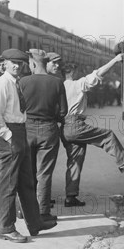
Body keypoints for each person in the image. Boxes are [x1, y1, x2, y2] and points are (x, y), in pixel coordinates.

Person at [0, 48, 57, 243]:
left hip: (21, 131)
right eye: (13, 63)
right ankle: (6, 228)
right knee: (8, 184)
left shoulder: (16, 83)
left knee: (26, 182)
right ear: (5, 63)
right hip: (10, 135)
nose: (17, 66)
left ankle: (35, 223)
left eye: (20, 63)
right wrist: (10, 137)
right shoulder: (1, 85)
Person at [63, 54, 124, 179]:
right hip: (75, 125)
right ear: (74, 72)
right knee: (108, 135)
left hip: (64, 128)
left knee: (74, 162)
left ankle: (70, 197)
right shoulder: (78, 84)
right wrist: (115, 60)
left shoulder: (59, 86)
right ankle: (123, 161)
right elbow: (98, 73)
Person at [21, 49, 68, 220]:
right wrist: (51, 117)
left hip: (26, 129)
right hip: (48, 130)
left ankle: (24, 211)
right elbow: (63, 112)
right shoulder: (57, 82)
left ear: (33, 63)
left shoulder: (22, 81)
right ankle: (42, 212)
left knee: (27, 172)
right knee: (44, 174)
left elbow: (17, 109)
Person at [45, 52, 86, 207]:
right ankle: (67, 196)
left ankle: (44, 197)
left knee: (45, 165)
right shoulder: (64, 84)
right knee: (71, 162)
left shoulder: (57, 83)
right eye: (54, 63)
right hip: (68, 124)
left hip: (56, 125)